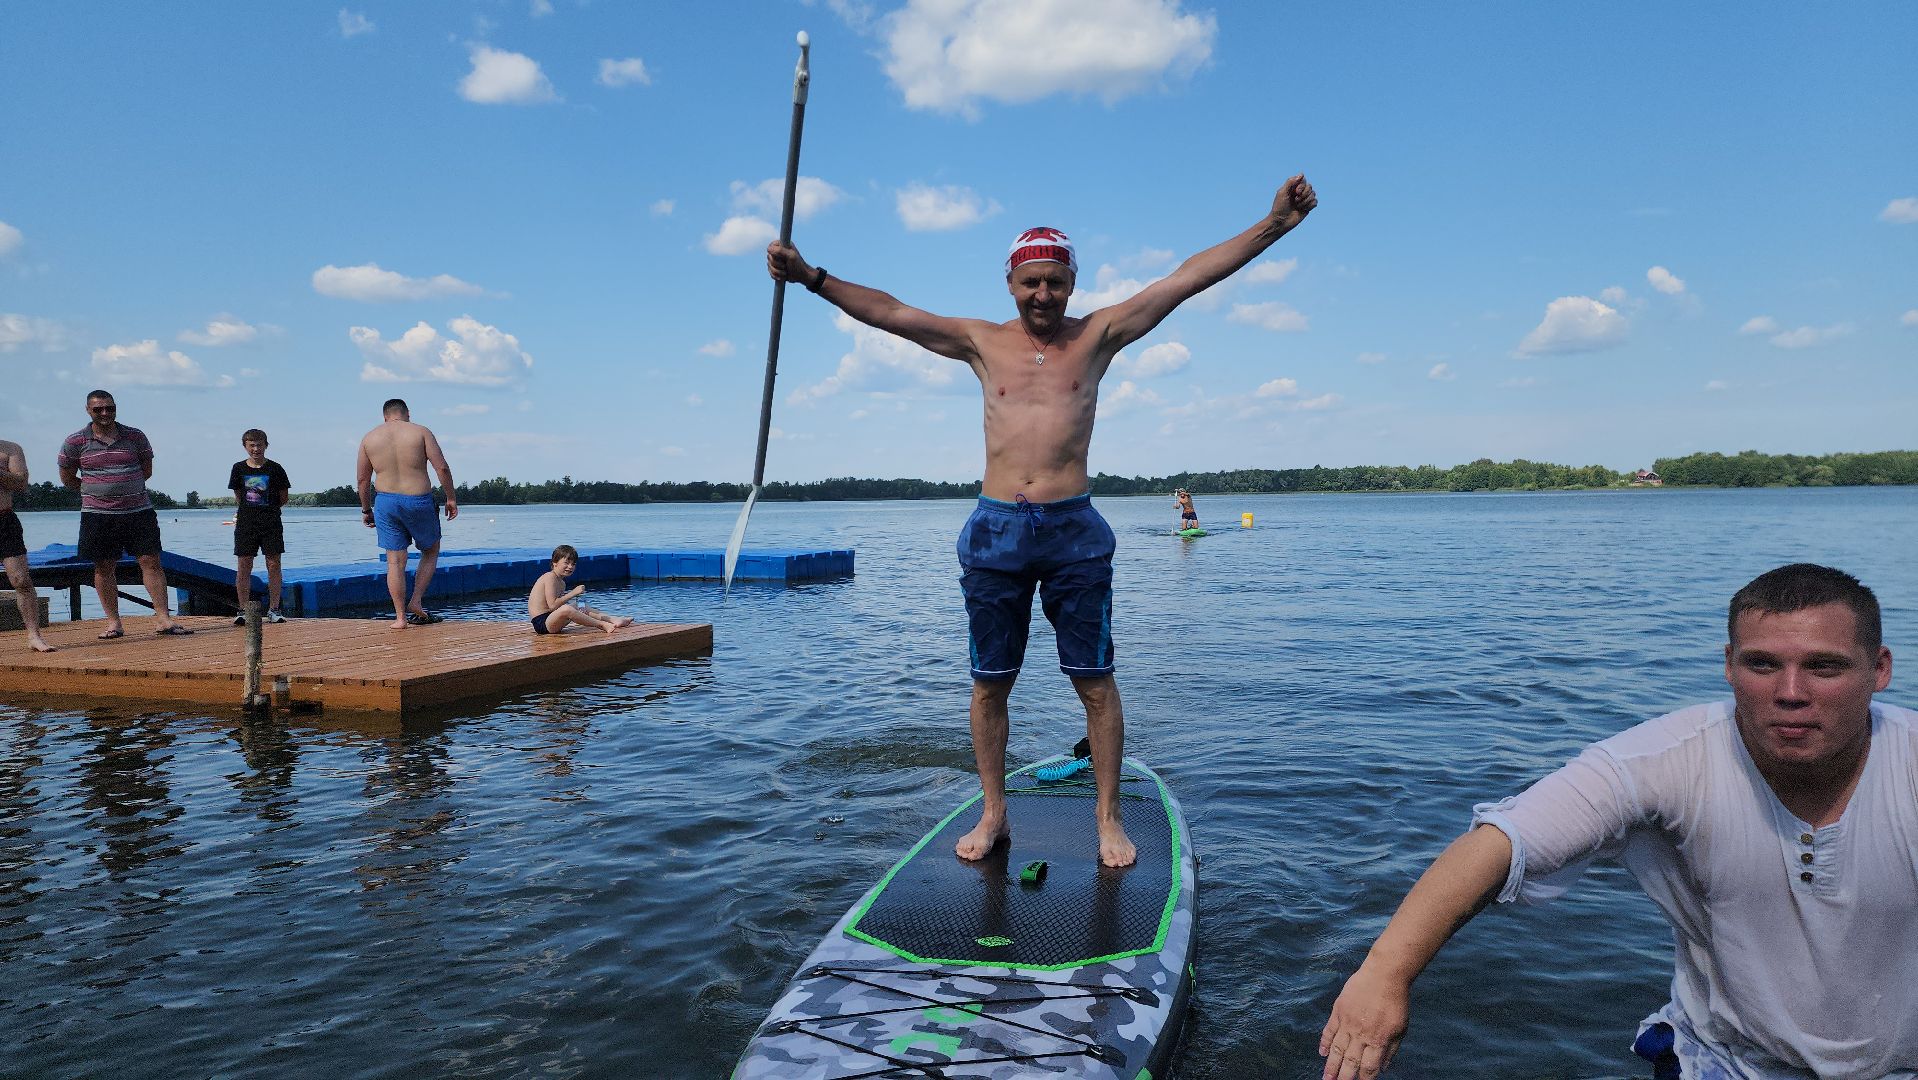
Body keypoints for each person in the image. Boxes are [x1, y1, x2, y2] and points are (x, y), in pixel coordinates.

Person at [768, 175, 1318, 868]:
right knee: (990, 682)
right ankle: (995, 812)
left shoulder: (1099, 335)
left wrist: (1274, 226)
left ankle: (1108, 817)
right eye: (1031, 283)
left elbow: (1187, 279)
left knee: (1094, 680)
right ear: (1010, 282)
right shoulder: (978, 341)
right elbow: (889, 311)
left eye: (1055, 283)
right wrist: (811, 276)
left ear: (1072, 282)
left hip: (1072, 531)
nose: (1043, 296)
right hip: (997, 528)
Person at [1318, 563, 1918, 1080]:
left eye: (1824, 667)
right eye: (1762, 665)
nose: (1791, 692)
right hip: (1729, 1059)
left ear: (1879, 669)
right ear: (1729, 666)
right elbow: (1501, 842)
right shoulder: (1664, 760)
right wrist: (1383, 976)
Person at [56, 390, 189, 638]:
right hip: (98, 514)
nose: (105, 413)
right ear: (88, 411)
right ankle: (114, 623)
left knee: (151, 561)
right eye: (99, 409)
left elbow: (146, 470)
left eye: (110, 408)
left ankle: (163, 619)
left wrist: (125, 487)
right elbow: (67, 478)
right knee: (103, 566)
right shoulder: (75, 441)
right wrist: (96, 491)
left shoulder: (134, 436)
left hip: (139, 510)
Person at [355, 398, 457, 629]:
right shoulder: (420, 432)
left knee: (394, 562)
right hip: (418, 499)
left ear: (385, 416)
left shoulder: (369, 438)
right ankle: (416, 600)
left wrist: (366, 509)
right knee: (430, 551)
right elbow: (441, 467)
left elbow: (362, 479)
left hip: (386, 502)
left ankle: (400, 618)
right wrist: (450, 497)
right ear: (407, 413)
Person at [228, 428, 291, 625]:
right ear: (245, 446)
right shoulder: (238, 468)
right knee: (244, 564)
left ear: (266, 445)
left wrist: (268, 510)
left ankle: (274, 609)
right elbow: (239, 496)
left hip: (271, 522)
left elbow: (283, 497)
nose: (256, 449)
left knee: (273, 563)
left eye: (259, 444)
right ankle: (243, 610)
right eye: (252, 445)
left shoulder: (276, 468)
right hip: (246, 523)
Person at [0, 437, 55, 652]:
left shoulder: (11, 450)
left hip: (4, 520)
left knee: (20, 579)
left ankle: (34, 636)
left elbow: (21, 483)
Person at [527, 545, 633, 635]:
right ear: (555, 563)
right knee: (567, 609)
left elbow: (556, 608)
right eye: (566, 563)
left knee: (580, 604)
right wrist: (573, 593)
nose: (570, 567)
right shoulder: (549, 577)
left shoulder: (561, 582)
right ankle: (602, 625)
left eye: (573, 564)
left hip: (552, 619)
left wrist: (579, 612)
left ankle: (612, 619)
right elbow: (553, 605)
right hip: (542, 624)